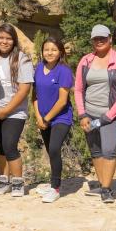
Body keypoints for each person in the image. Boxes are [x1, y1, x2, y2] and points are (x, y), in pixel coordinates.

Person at [74, 24, 116, 204]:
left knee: (109, 151)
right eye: (96, 39)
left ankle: (107, 189)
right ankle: (101, 185)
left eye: (103, 38)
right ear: (92, 41)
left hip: (111, 116)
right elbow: (77, 89)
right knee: (96, 151)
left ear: (110, 39)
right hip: (89, 114)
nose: (99, 41)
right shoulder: (85, 61)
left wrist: (109, 115)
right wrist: (82, 114)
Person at [0, 23, 34, 197]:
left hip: (15, 111)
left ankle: (17, 183)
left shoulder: (22, 59)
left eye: (8, 38)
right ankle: (3, 181)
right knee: (0, 146)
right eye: (1, 37)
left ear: (14, 40)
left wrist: (6, 110)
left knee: (10, 145)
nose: (4, 41)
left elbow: (24, 89)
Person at [32, 37, 73, 203]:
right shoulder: (39, 68)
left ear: (61, 52)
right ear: (42, 51)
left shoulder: (64, 70)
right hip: (43, 118)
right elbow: (34, 95)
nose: (49, 52)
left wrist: (47, 118)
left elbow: (63, 100)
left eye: (54, 49)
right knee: (50, 151)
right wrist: (38, 116)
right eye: (46, 49)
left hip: (60, 117)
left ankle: (55, 188)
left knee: (55, 148)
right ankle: (52, 183)